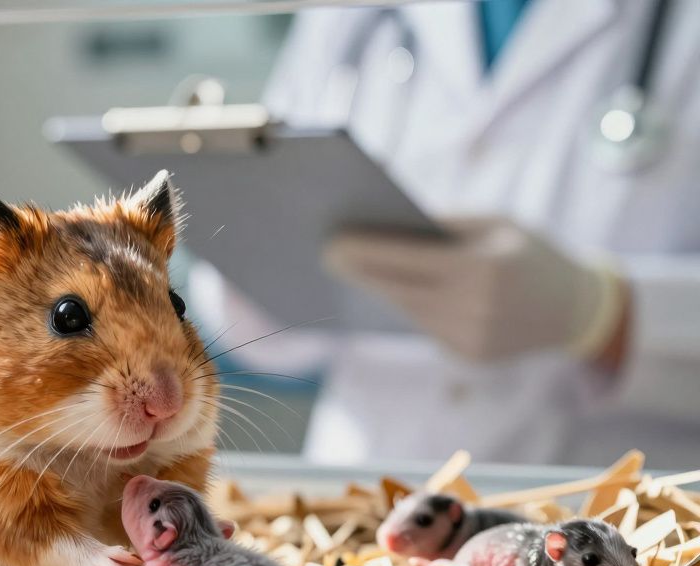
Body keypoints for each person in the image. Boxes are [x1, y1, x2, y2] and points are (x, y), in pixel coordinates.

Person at [200, 0, 700, 469]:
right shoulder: (353, 17)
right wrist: (255, 267)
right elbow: (255, 332)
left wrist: (604, 314)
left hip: (613, 512)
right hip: (361, 495)